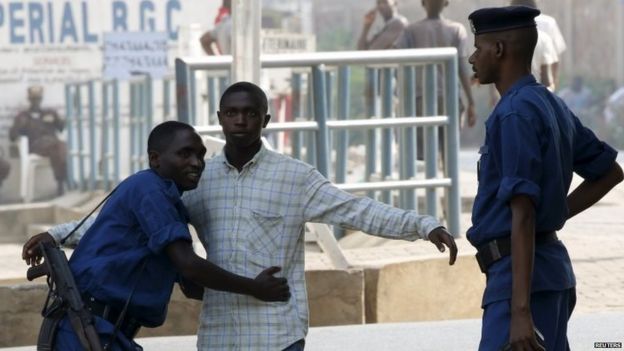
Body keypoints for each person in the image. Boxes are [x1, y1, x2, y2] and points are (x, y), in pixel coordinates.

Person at [46, 82, 458, 350]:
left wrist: (422, 226)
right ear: (221, 118)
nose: (240, 120)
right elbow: (129, 225)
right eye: (231, 112)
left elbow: (358, 210)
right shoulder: (196, 181)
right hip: (220, 335)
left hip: (276, 333)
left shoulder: (295, 178)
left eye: (249, 112)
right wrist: (56, 236)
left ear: (266, 119)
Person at [22, 121, 290, 351]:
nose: (196, 163)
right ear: (155, 159)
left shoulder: (170, 205)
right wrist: (253, 287)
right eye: (184, 154)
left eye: (200, 155)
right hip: (85, 329)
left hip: (103, 331)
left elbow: (191, 284)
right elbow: (189, 266)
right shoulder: (150, 189)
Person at [468, 6, 623, 351]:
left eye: (478, 48)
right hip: (550, 274)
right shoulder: (548, 103)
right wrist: (555, 212)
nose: (471, 57)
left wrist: (520, 311)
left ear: (499, 50)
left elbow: (522, 213)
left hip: (520, 282)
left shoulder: (512, 114)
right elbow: (609, 171)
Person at [393, 0, 476, 161]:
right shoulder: (456, 29)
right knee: (448, 151)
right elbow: (461, 68)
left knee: (424, 152)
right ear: (446, 3)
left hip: (420, 99)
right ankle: (448, 184)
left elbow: (397, 60)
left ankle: (431, 183)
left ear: (423, 3)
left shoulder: (411, 30)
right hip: (448, 98)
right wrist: (471, 101)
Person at [9, 86, 67, 195]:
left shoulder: (49, 113)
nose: (36, 101)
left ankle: (61, 183)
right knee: (60, 147)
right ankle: (62, 183)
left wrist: (60, 119)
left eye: (38, 98)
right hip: (36, 146)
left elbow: (62, 127)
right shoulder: (23, 116)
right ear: (29, 99)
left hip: (54, 145)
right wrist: (19, 126)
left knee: (61, 146)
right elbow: (12, 136)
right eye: (33, 99)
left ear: (41, 99)